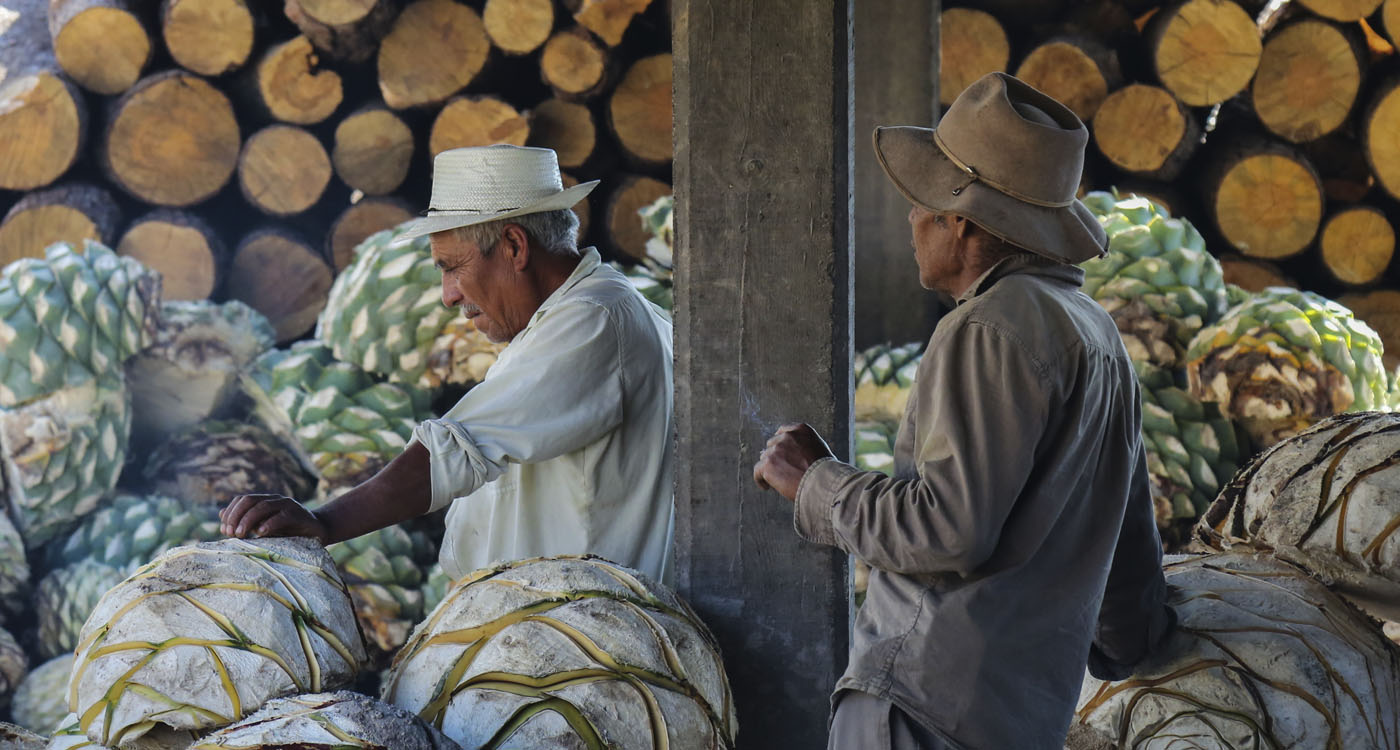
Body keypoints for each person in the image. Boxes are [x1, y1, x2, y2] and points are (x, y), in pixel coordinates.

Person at [751, 72, 1176, 750]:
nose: (911, 217)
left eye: (923, 201)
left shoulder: (989, 326)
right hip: (1019, 721)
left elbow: (948, 531)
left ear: (964, 221)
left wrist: (814, 482)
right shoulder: (1096, 333)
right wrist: (1132, 645)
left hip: (926, 706)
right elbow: (1128, 547)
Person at [221, 144, 676, 584]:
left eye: (452, 266)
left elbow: (459, 449)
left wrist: (325, 522)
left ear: (514, 246)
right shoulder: (579, 314)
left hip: (584, 637)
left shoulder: (594, 319)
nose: (448, 294)